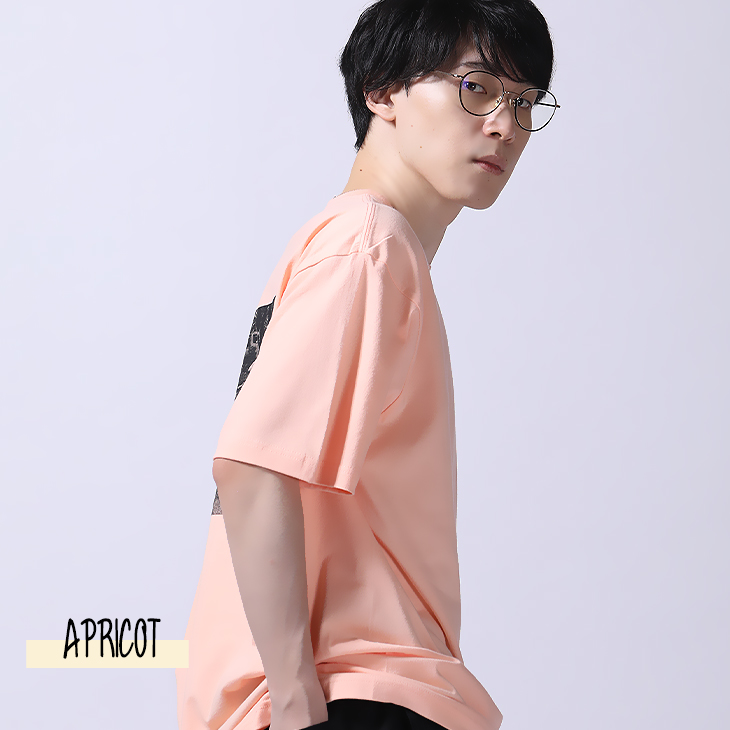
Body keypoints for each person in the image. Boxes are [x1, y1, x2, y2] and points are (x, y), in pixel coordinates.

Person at [175, 1, 558, 729]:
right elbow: (250, 467)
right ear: (383, 91)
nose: (505, 124)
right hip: (353, 691)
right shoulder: (367, 246)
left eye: (524, 101)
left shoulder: (351, 244)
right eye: (477, 88)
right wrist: (297, 701)